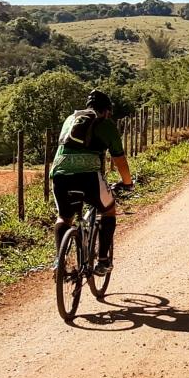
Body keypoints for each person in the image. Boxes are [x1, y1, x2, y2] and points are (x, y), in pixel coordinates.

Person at [51, 89, 133, 275]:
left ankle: (59, 261)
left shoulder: (70, 120)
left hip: (59, 174)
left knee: (64, 216)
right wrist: (127, 183)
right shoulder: (105, 123)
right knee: (109, 210)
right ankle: (103, 261)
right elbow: (119, 159)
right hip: (87, 176)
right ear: (107, 110)